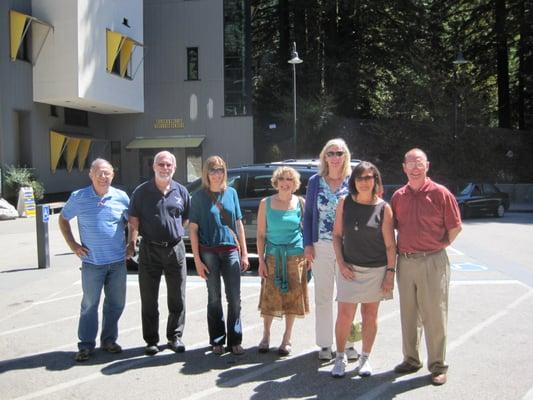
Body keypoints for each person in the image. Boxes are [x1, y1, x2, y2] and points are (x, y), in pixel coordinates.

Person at [391, 148, 462, 386]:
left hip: (433, 260)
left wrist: (439, 245)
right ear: (404, 168)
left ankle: (438, 366)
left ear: (427, 166)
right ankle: (411, 359)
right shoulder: (398, 196)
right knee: (409, 314)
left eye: (418, 163)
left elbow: (455, 227)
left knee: (435, 315)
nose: (414, 167)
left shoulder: (441, 194)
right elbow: (394, 228)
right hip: (406, 261)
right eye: (410, 163)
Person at [59, 159, 129, 362]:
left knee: (116, 304)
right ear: (91, 175)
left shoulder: (121, 197)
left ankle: (108, 340)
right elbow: (63, 219)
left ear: (113, 175)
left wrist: (132, 243)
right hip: (92, 264)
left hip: (117, 263)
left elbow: (132, 221)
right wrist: (72, 245)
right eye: (98, 172)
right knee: (89, 305)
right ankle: (86, 345)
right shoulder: (79, 197)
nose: (103, 176)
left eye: (107, 173)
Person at [330, 162, 396, 378]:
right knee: (344, 315)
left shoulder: (384, 208)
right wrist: (340, 263)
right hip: (349, 268)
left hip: (376, 270)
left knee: (370, 315)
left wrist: (390, 273)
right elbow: (337, 235)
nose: (365, 182)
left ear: (376, 181)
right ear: (354, 181)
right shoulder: (344, 203)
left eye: (369, 177)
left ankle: (365, 358)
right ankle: (339, 357)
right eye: (360, 178)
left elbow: (389, 245)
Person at [127, 151, 190, 355]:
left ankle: (175, 337)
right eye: (161, 164)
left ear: (174, 168)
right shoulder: (141, 191)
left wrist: (172, 231)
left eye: (168, 165)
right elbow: (134, 219)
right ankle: (151, 340)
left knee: (177, 297)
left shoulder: (181, 191)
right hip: (149, 249)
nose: (164, 168)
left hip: (175, 249)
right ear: (153, 167)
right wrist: (131, 242)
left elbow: (186, 218)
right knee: (148, 297)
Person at [303, 138, 359, 361]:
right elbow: (308, 215)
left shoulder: (354, 180)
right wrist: (307, 244)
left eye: (340, 153)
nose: (335, 157)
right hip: (321, 246)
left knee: (351, 296)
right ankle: (325, 344)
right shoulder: (315, 182)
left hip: (350, 247)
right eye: (331, 153)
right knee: (323, 297)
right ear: (324, 157)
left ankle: (350, 343)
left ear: (346, 156)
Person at [189, 156, 249, 355]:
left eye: (220, 169)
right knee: (214, 298)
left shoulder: (231, 193)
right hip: (209, 253)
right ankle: (217, 340)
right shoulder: (198, 197)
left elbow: (238, 224)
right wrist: (197, 260)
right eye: (213, 170)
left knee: (235, 298)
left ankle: (235, 340)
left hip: (231, 250)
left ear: (225, 172)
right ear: (206, 173)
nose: (217, 174)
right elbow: (193, 230)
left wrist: (245, 253)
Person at [256, 166, 310, 356]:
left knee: (292, 300)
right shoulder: (266, 203)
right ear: (276, 182)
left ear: (294, 183)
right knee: (270, 298)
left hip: (296, 257)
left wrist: (308, 256)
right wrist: (261, 261)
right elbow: (261, 235)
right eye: (282, 179)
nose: (285, 183)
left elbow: (306, 232)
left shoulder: (300, 203)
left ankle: (287, 339)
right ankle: (266, 335)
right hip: (272, 257)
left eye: (289, 180)